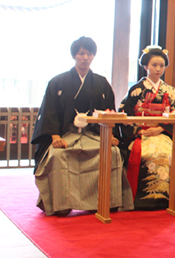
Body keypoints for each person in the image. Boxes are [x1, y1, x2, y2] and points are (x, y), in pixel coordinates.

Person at [32, 36, 134, 215]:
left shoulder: (101, 84)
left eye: (89, 54)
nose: (85, 58)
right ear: (74, 56)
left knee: (113, 153)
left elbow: (110, 111)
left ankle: (106, 200)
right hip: (66, 134)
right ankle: (61, 204)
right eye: (81, 54)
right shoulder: (57, 82)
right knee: (57, 155)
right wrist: (55, 137)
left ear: (93, 56)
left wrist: (110, 135)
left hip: (94, 134)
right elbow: (49, 112)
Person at [119, 46, 175, 210]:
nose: (158, 69)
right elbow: (125, 114)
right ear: (146, 66)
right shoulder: (136, 90)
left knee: (170, 153)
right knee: (146, 153)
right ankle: (141, 200)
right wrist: (139, 131)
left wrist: (160, 129)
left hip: (162, 133)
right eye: (154, 65)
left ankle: (168, 199)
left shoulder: (171, 91)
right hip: (141, 133)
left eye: (161, 65)